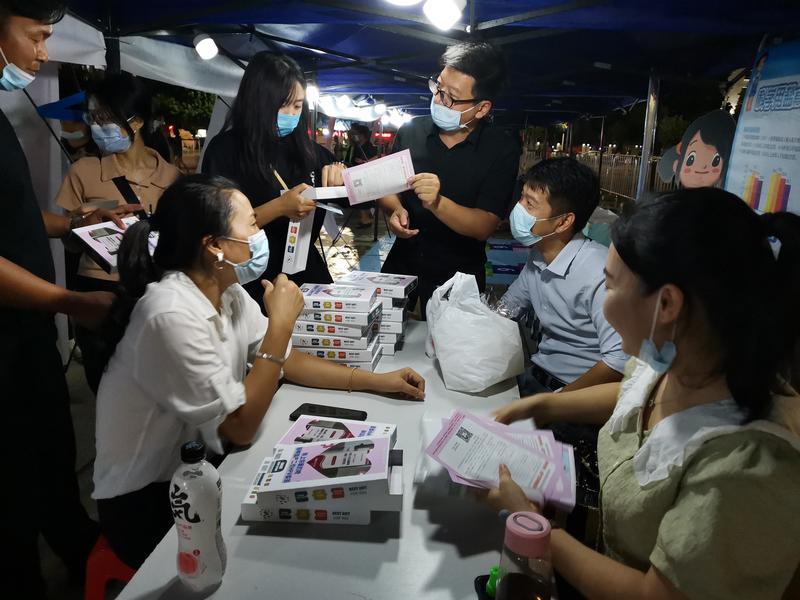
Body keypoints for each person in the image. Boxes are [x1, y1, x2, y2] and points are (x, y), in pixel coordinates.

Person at [93, 174, 425, 568]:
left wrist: (374, 382)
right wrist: (281, 322)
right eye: (251, 223)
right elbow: (240, 427)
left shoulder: (226, 290)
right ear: (214, 246)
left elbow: (289, 359)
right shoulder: (169, 314)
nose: (260, 233)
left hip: (203, 467)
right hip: (149, 500)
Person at [489, 188, 800, 599]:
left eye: (610, 285)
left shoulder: (742, 473)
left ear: (667, 304)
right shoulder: (677, 358)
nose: (602, 304)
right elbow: (634, 393)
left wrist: (530, 520)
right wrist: (543, 404)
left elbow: (656, 593)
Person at [0, 1, 140, 596]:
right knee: (13, 475)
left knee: (54, 450)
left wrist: (82, 221)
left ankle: (77, 547)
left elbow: (17, 217)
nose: (43, 53)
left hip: (31, 333)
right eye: (35, 36)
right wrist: (69, 302)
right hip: (7, 339)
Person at [56, 72, 181, 393]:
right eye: (92, 118)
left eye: (103, 118)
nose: (95, 127)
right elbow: (70, 244)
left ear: (136, 122)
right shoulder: (83, 172)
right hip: (99, 292)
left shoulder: (172, 178)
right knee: (105, 386)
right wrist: (82, 223)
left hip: (155, 291)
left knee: (156, 386)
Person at [379, 41, 520, 319]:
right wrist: (394, 209)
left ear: (481, 108)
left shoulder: (501, 149)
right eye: (438, 87)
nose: (438, 99)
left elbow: (484, 225)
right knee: (384, 334)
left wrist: (437, 203)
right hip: (402, 264)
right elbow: (386, 187)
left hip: (459, 277)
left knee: (448, 344)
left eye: (451, 97)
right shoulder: (411, 132)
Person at [202, 52, 346, 307]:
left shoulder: (306, 150)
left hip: (305, 272)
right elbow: (217, 228)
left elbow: (360, 192)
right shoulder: (224, 150)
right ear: (256, 102)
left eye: (297, 106)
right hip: (250, 279)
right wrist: (280, 207)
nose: (290, 114)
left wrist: (340, 172)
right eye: (282, 105)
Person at [503, 158, 627, 395]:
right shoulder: (538, 256)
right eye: (521, 198)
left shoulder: (600, 273)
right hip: (536, 377)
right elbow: (508, 308)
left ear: (563, 222)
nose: (518, 209)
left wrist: (558, 403)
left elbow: (618, 360)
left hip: (576, 395)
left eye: (530, 204)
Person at [347, 123, 377, 228]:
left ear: (362, 135)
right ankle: (365, 218)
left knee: (363, 199)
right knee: (360, 199)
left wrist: (364, 162)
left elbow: (376, 159)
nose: (352, 136)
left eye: (355, 134)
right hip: (355, 176)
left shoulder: (368, 146)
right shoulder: (355, 146)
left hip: (365, 178)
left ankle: (366, 220)